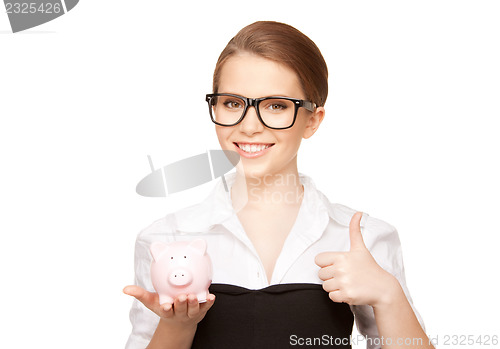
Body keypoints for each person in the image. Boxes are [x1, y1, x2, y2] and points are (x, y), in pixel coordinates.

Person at [123, 20, 434, 349]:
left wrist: (389, 296)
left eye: (276, 106)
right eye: (232, 103)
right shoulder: (166, 239)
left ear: (312, 120)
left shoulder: (364, 237)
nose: (250, 126)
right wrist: (178, 325)